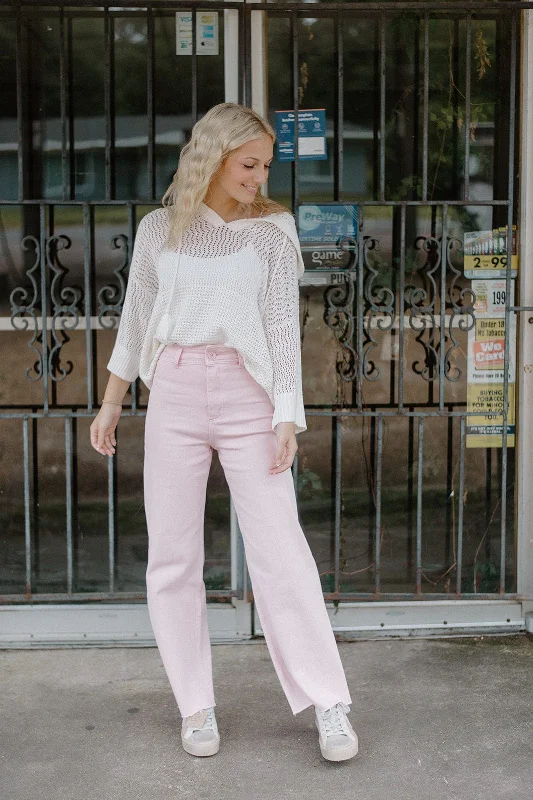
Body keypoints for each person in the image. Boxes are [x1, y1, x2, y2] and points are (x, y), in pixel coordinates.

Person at [90, 102, 358, 763]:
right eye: (248, 164)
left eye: (265, 165)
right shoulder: (159, 229)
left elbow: (278, 328)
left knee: (281, 553)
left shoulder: (272, 230)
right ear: (212, 156)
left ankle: (329, 702)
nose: (258, 177)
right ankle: (196, 706)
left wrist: (285, 414)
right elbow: (136, 319)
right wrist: (110, 404)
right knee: (173, 559)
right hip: (175, 393)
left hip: (247, 396)